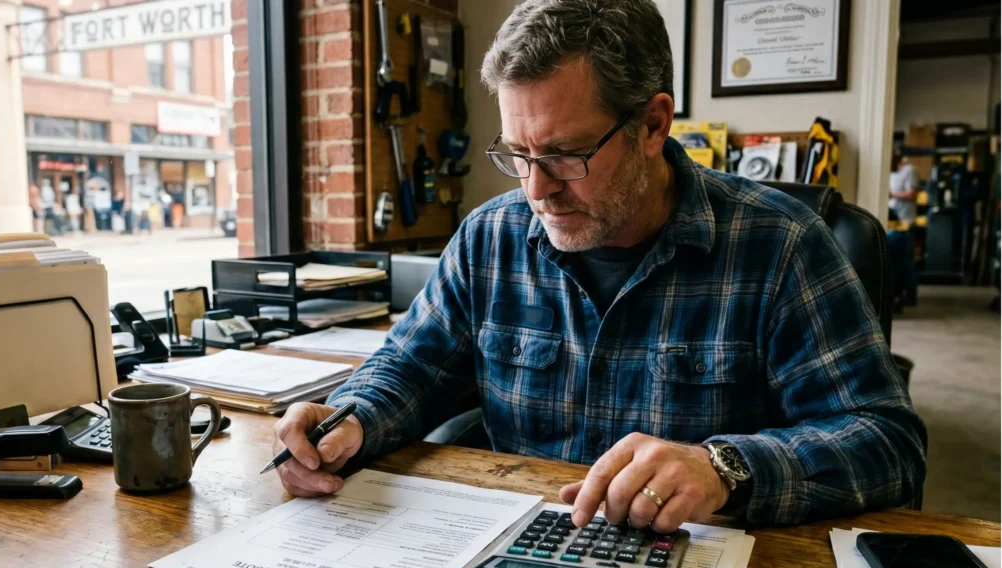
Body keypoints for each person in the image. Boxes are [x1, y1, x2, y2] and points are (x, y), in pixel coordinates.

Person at [271, 0, 926, 529]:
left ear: (652, 124)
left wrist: (724, 468)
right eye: (518, 154)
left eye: (563, 154)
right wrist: (348, 419)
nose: (536, 189)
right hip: (504, 551)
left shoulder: (780, 245)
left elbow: (889, 444)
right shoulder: (489, 239)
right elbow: (413, 366)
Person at [887, 153, 920, 308]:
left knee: (907, 261)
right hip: (894, 223)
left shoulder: (909, 171)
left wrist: (892, 195)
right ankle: (899, 294)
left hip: (906, 222)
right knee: (897, 261)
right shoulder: (891, 174)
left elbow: (913, 193)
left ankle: (911, 296)